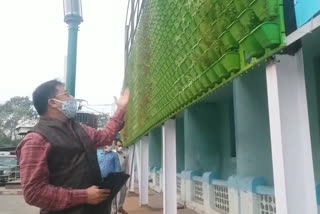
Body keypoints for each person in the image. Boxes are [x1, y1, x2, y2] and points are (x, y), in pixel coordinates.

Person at [16, 79, 130, 214]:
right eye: (66, 94)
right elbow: (33, 193)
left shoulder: (79, 129)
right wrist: (84, 196)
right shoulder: (36, 140)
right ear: (53, 103)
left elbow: (105, 136)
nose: (72, 99)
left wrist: (121, 109)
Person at [111, 140, 129, 214]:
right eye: (118, 146)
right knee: (114, 194)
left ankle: (120, 207)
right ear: (115, 146)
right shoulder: (111, 154)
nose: (120, 147)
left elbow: (127, 166)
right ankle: (113, 210)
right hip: (114, 177)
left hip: (122, 176)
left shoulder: (125, 154)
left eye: (121, 146)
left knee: (123, 193)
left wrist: (127, 176)